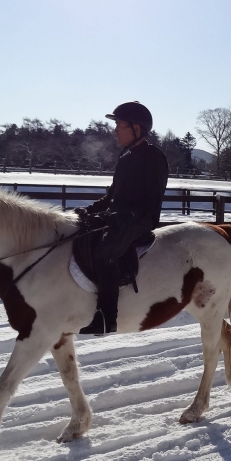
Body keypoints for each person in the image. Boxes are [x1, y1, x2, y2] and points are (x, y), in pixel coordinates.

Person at [77, 101, 169, 335]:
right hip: (117, 218)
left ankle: (107, 317)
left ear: (136, 128)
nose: (115, 130)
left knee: (106, 252)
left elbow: (152, 203)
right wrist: (90, 210)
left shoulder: (154, 158)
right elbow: (112, 196)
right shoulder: (125, 157)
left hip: (140, 221)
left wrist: (124, 216)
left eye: (119, 124)